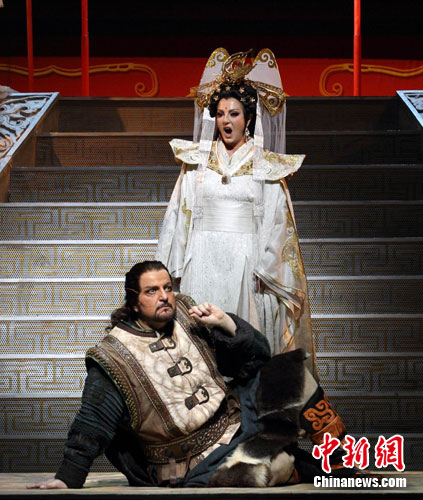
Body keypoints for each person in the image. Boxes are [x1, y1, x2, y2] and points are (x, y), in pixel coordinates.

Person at [28, 261, 353, 490]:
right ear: (134, 303)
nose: (164, 296)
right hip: (194, 461)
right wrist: (68, 477)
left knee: (291, 373)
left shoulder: (188, 315)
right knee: (277, 466)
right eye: (152, 291)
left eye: (167, 288)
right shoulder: (113, 357)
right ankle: (300, 465)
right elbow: (92, 422)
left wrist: (226, 324)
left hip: (235, 420)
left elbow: (257, 358)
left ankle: (339, 462)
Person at [155, 49, 316, 377]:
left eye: (234, 114)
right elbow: (180, 216)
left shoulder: (266, 167)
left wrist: (267, 268)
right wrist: (172, 268)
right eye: (220, 114)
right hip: (202, 254)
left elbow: (278, 222)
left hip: (246, 258)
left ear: (249, 119)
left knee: (241, 338)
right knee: (200, 339)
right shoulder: (196, 163)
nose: (226, 121)